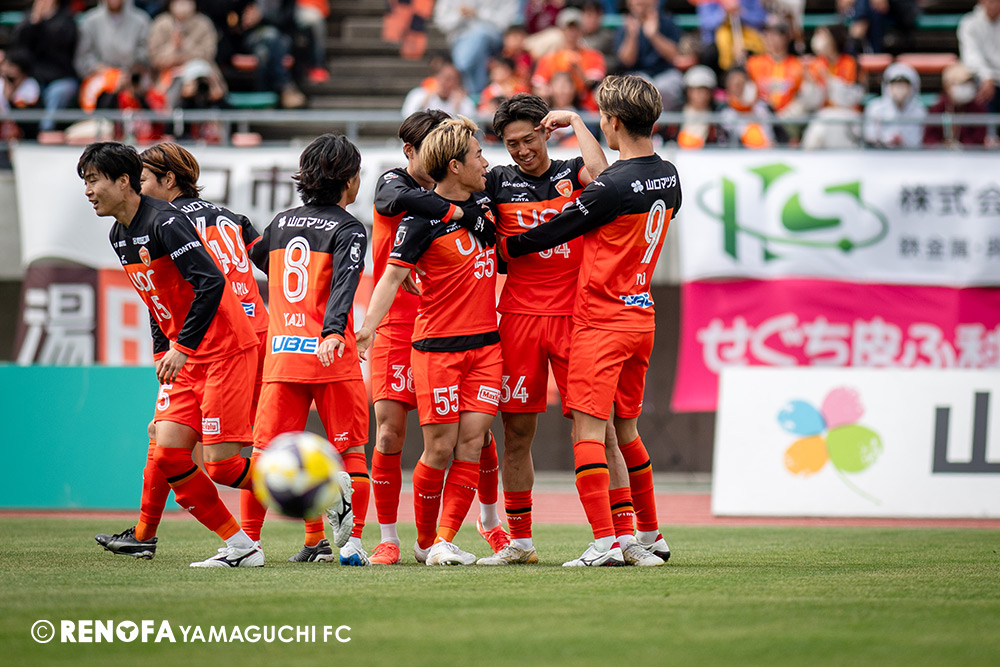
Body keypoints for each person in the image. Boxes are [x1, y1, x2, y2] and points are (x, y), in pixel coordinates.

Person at [498, 75, 676, 567]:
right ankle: (650, 535)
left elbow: (560, 226)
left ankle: (607, 542)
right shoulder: (669, 175)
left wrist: (508, 247)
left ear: (612, 122)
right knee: (626, 431)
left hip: (599, 318)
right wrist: (577, 120)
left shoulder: (609, 186)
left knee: (591, 436)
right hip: (640, 314)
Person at [79, 142, 263, 567]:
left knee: (222, 465)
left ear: (123, 182)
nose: (88, 191)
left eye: (93, 180)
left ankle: (322, 491)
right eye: (85, 182)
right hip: (186, 357)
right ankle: (241, 546)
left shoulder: (166, 222)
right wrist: (163, 350)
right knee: (167, 454)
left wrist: (181, 346)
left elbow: (211, 283)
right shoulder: (119, 234)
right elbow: (154, 299)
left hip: (224, 350)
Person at [356, 117, 501, 567]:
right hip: (417, 334)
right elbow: (390, 273)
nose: (486, 162)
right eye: (477, 154)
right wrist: (368, 326)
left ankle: (465, 530)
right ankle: (396, 539)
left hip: (484, 342)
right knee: (401, 435)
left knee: (475, 439)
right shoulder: (401, 193)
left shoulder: (486, 197)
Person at [247, 134, 371, 566]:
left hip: (283, 355)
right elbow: (345, 284)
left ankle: (247, 544)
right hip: (330, 355)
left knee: (265, 454)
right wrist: (333, 331)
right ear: (349, 180)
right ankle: (352, 544)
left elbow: (262, 259)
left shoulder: (281, 223)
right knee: (350, 452)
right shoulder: (348, 228)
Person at [10, 0, 79, 134]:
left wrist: (45, 20)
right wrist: (35, 21)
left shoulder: (66, 19)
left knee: (56, 92)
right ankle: (23, 133)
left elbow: (61, 44)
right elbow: (19, 46)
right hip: (36, 78)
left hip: (62, 77)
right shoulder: (30, 19)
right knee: (25, 90)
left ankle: (45, 131)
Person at [147, 0, 227, 112]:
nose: (183, 4)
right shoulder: (161, 24)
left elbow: (209, 53)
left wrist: (184, 45)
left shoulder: (203, 23)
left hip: (201, 76)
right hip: (167, 77)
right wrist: (173, 48)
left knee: (201, 82)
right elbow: (154, 57)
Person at [74, 0, 151, 113]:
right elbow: (83, 59)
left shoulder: (141, 21)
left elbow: (145, 55)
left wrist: (129, 74)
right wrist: (108, 73)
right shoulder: (89, 22)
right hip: (100, 78)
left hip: (133, 78)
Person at [433, 0, 520, 97]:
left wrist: (478, 14)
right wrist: (460, 14)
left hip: (492, 36)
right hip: (459, 40)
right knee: (477, 53)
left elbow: (505, 22)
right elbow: (442, 23)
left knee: (479, 37)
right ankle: (476, 94)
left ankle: (472, 90)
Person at [531, 8, 607, 111]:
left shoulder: (594, 56)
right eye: (568, 29)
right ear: (561, 31)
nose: (571, 33)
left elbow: (595, 85)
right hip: (554, 108)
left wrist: (578, 72)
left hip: (586, 110)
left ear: (581, 30)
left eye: (575, 29)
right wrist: (556, 89)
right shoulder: (549, 58)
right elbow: (538, 86)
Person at [615, 0, 685, 111]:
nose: (638, 3)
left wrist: (653, 35)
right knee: (632, 88)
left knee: (666, 87)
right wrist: (632, 35)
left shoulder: (667, 22)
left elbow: (674, 56)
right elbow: (627, 61)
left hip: (665, 73)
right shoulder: (626, 26)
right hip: (638, 74)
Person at [923, 62, 988, 148]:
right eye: (962, 84)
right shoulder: (938, 108)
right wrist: (941, 147)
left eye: (969, 83)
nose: (967, 87)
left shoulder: (977, 109)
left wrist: (963, 147)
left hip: (970, 155)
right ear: (947, 87)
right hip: (940, 154)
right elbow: (929, 138)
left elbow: (978, 139)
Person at [863, 61, 926, 148]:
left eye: (904, 84)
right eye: (895, 84)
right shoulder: (875, 108)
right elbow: (870, 136)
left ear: (912, 87)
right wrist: (888, 140)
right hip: (880, 153)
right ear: (887, 86)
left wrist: (903, 141)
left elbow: (919, 141)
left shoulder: (919, 111)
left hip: (909, 154)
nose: (899, 89)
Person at [958, 0, 1000, 115]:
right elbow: (971, 56)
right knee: (979, 89)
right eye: (990, 1)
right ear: (981, 2)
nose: (993, 5)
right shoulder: (969, 23)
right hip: (981, 79)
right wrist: (987, 76)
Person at [402, 59, 476, 118]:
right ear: (437, 77)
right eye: (446, 78)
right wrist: (426, 100)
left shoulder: (464, 101)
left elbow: (472, 123)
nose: (450, 84)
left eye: (454, 80)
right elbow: (407, 117)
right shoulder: (417, 94)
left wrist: (457, 108)